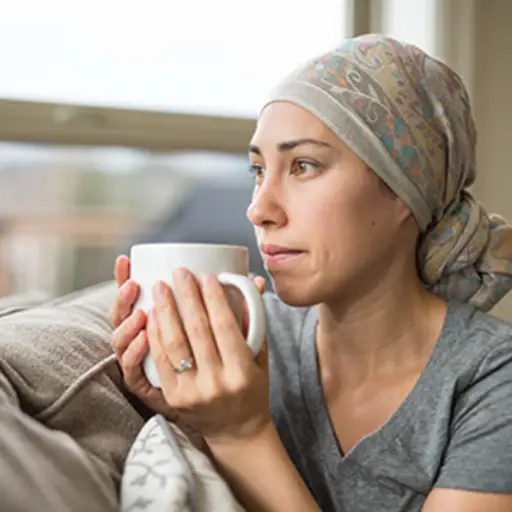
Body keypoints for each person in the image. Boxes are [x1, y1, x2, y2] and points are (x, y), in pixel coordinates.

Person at [110, 34, 512, 512]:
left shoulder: (491, 380)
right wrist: (188, 414)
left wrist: (242, 434)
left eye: (303, 166)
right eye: (258, 169)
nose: (259, 209)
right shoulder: (245, 343)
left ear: (406, 188)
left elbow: (239, 433)